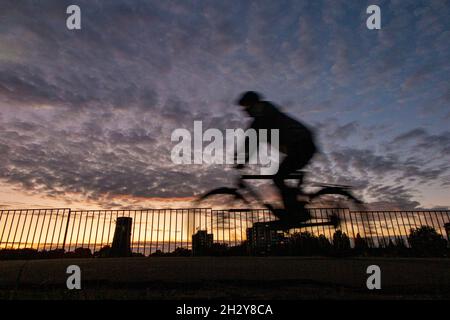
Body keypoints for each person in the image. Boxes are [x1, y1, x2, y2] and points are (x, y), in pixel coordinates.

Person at [236, 91, 317, 223]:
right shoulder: (263, 115)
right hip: (299, 146)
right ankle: (293, 208)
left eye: (246, 107)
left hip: (302, 146)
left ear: (253, 104)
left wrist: (240, 161)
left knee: (278, 175)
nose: (245, 111)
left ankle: (294, 212)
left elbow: (251, 142)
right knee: (280, 175)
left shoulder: (264, 116)